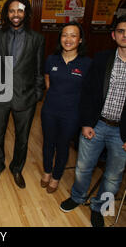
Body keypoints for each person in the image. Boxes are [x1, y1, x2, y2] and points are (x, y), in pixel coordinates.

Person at [60, 14, 126, 227]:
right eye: (121, 31)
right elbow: (89, 93)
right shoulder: (101, 58)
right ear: (113, 35)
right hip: (97, 124)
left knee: (113, 176)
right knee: (83, 167)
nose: (125, 35)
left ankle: (100, 208)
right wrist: (86, 123)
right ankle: (78, 197)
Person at [0, 0, 45, 189]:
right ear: (7, 13)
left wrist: (37, 95)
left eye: (20, 11)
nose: (16, 14)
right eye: (12, 10)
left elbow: (39, 69)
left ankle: (17, 168)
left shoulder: (37, 39)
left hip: (25, 97)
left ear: (26, 13)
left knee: (22, 138)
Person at [40, 22, 92, 193]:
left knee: (63, 145)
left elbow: (88, 92)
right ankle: (47, 172)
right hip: (49, 110)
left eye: (73, 35)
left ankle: (56, 177)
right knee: (48, 143)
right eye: (64, 35)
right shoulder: (51, 59)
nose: (68, 39)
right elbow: (48, 82)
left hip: (71, 114)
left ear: (80, 40)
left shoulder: (87, 63)